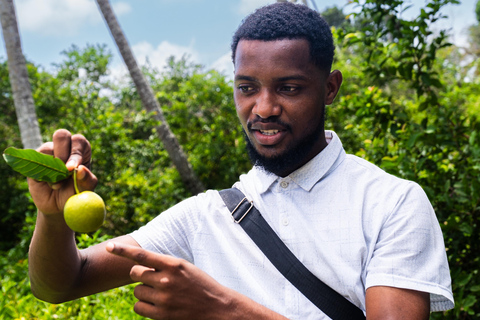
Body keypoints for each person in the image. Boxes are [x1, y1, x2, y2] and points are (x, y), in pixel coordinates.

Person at [27, 2, 454, 319]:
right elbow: (64, 282)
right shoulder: (205, 216)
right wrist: (52, 217)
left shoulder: (391, 203)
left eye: (288, 88)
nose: (263, 108)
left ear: (329, 88)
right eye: (247, 87)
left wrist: (223, 306)